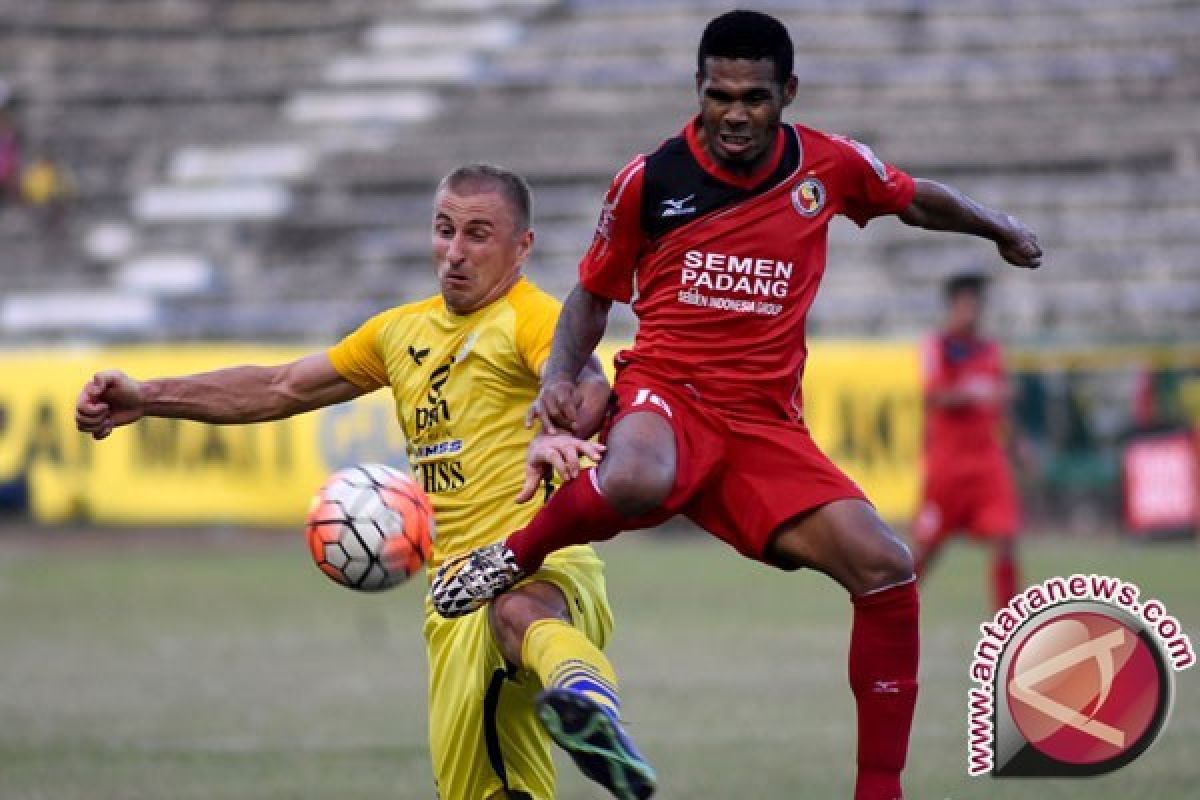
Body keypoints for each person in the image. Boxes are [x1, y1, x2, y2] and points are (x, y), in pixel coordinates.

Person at [431, 12, 1042, 800]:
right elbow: (592, 291)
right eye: (719, 95)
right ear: (699, 90)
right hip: (667, 389)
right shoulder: (650, 178)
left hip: (764, 425)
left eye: (754, 96)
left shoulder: (829, 165)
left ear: (786, 92)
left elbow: (913, 198)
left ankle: (879, 790)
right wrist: (562, 374)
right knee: (639, 475)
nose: (735, 114)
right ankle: (511, 556)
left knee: (886, 568)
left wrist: (999, 229)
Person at [75, 164, 657, 800]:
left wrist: (561, 414)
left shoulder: (529, 318)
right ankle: (579, 703)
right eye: (444, 230)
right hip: (453, 597)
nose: (456, 252)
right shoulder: (398, 332)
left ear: (523, 247)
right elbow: (279, 386)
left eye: (478, 234)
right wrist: (148, 396)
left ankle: (589, 704)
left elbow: (579, 375)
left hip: (540, 560)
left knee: (519, 609)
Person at [913, 273, 1022, 610]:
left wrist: (1018, 444)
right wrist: (972, 392)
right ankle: (895, 605)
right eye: (964, 305)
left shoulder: (990, 349)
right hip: (948, 465)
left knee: (1005, 539)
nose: (970, 312)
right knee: (928, 546)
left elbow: (1001, 401)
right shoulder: (937, 346)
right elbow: (932, 397)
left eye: (975, 305)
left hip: (988, 462)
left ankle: (1009, 625)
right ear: (952, 307)